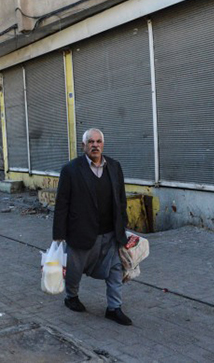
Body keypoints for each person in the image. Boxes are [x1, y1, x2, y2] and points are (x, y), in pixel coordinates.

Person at [52, 128, 132, 326]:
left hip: (111, 232)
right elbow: (62, 204)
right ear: (83, 146)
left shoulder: (114, 166)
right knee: (74, 269)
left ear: (102, 145)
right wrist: (58, 235)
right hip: (82, 232)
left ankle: (114, 308)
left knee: (115, 269)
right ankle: (71, 297)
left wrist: (123, 225)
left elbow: (120, 200)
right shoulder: (70, 170)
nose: (95, 145)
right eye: (90, 142)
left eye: (98, 141)